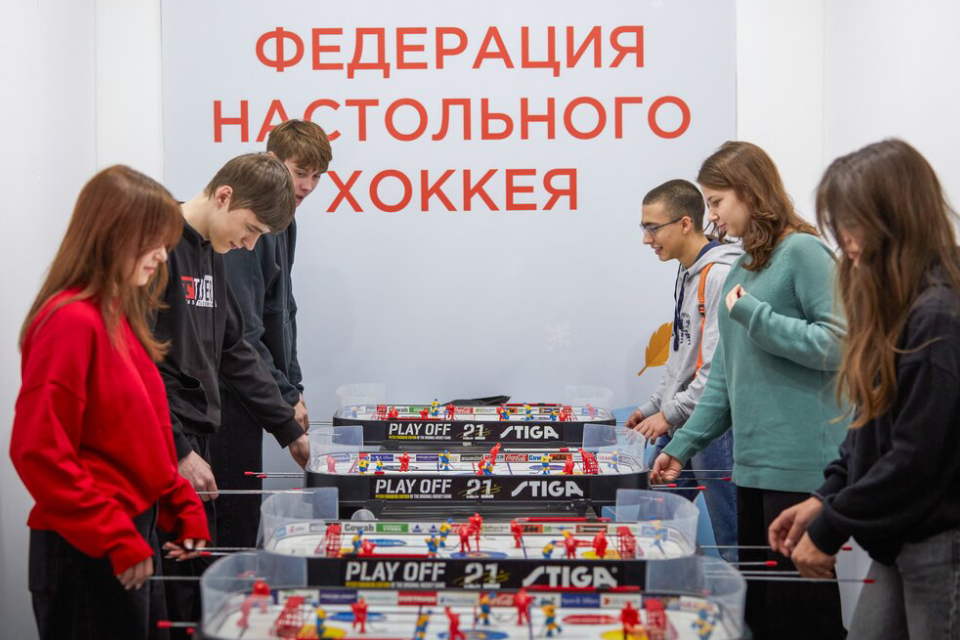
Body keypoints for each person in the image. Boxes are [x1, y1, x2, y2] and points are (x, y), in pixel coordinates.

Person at [650, 141, 848, 639]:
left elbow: (840, 344)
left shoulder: (803, 252)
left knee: (804, 619)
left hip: (801, 468)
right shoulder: (744, 267)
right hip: (752, 468)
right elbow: (722, 379)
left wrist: (756, 316)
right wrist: (681, 446)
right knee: (762, 615)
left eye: (717, 202)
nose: (712, 216)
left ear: (750, 191)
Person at [770, 139, 960, 639]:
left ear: (893, 218)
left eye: (852, 224)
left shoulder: (939, 315)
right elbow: (869, 427)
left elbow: (915, 458)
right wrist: (826, 495)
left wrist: (832, 524)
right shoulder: (899, 304)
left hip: (941, 543)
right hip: (899, 539)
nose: (845, 242)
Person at [10, 166, 209, 640]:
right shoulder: (70, 322)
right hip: (88, 551)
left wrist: (178, 500)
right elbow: (39, 451)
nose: (162, 255)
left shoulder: (120, 318)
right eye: (154, 242)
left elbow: (141, 436)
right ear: (114, 235)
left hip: (130, 536)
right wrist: (112, 533)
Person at [152, 153, 310, 634]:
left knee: (202, 583)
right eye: (251, 229)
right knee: (176, 596)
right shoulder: (159, 248)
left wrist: (288, 428)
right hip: (161, 447)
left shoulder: (212, 254)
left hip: (195, 445)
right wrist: (177, 448)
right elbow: (139, 367)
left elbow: (235, 349)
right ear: (224, 197)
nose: (249, 244)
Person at [211, 119, 332, 550]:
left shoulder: (285, 222)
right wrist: (282, 394)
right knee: (232, 516)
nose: (308, 186)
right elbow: (242, 331)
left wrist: (292, 386)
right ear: (271, 161)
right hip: (230, 390)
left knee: (243, 510)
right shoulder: (247, 224)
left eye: (317, 176)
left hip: (259, 385)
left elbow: (282, 309)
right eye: (300, 172)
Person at [625, 179, 742, 563]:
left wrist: (669, 413)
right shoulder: (687, 270)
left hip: (712, 427)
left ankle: (744, 602)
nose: (647, 239)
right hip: (681, 420)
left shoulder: (719, 274)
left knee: (732, 539)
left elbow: (714, 371)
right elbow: (682, 355)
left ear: (685, 223)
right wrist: (653, 405)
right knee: (651, 524)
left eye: (653, 228)